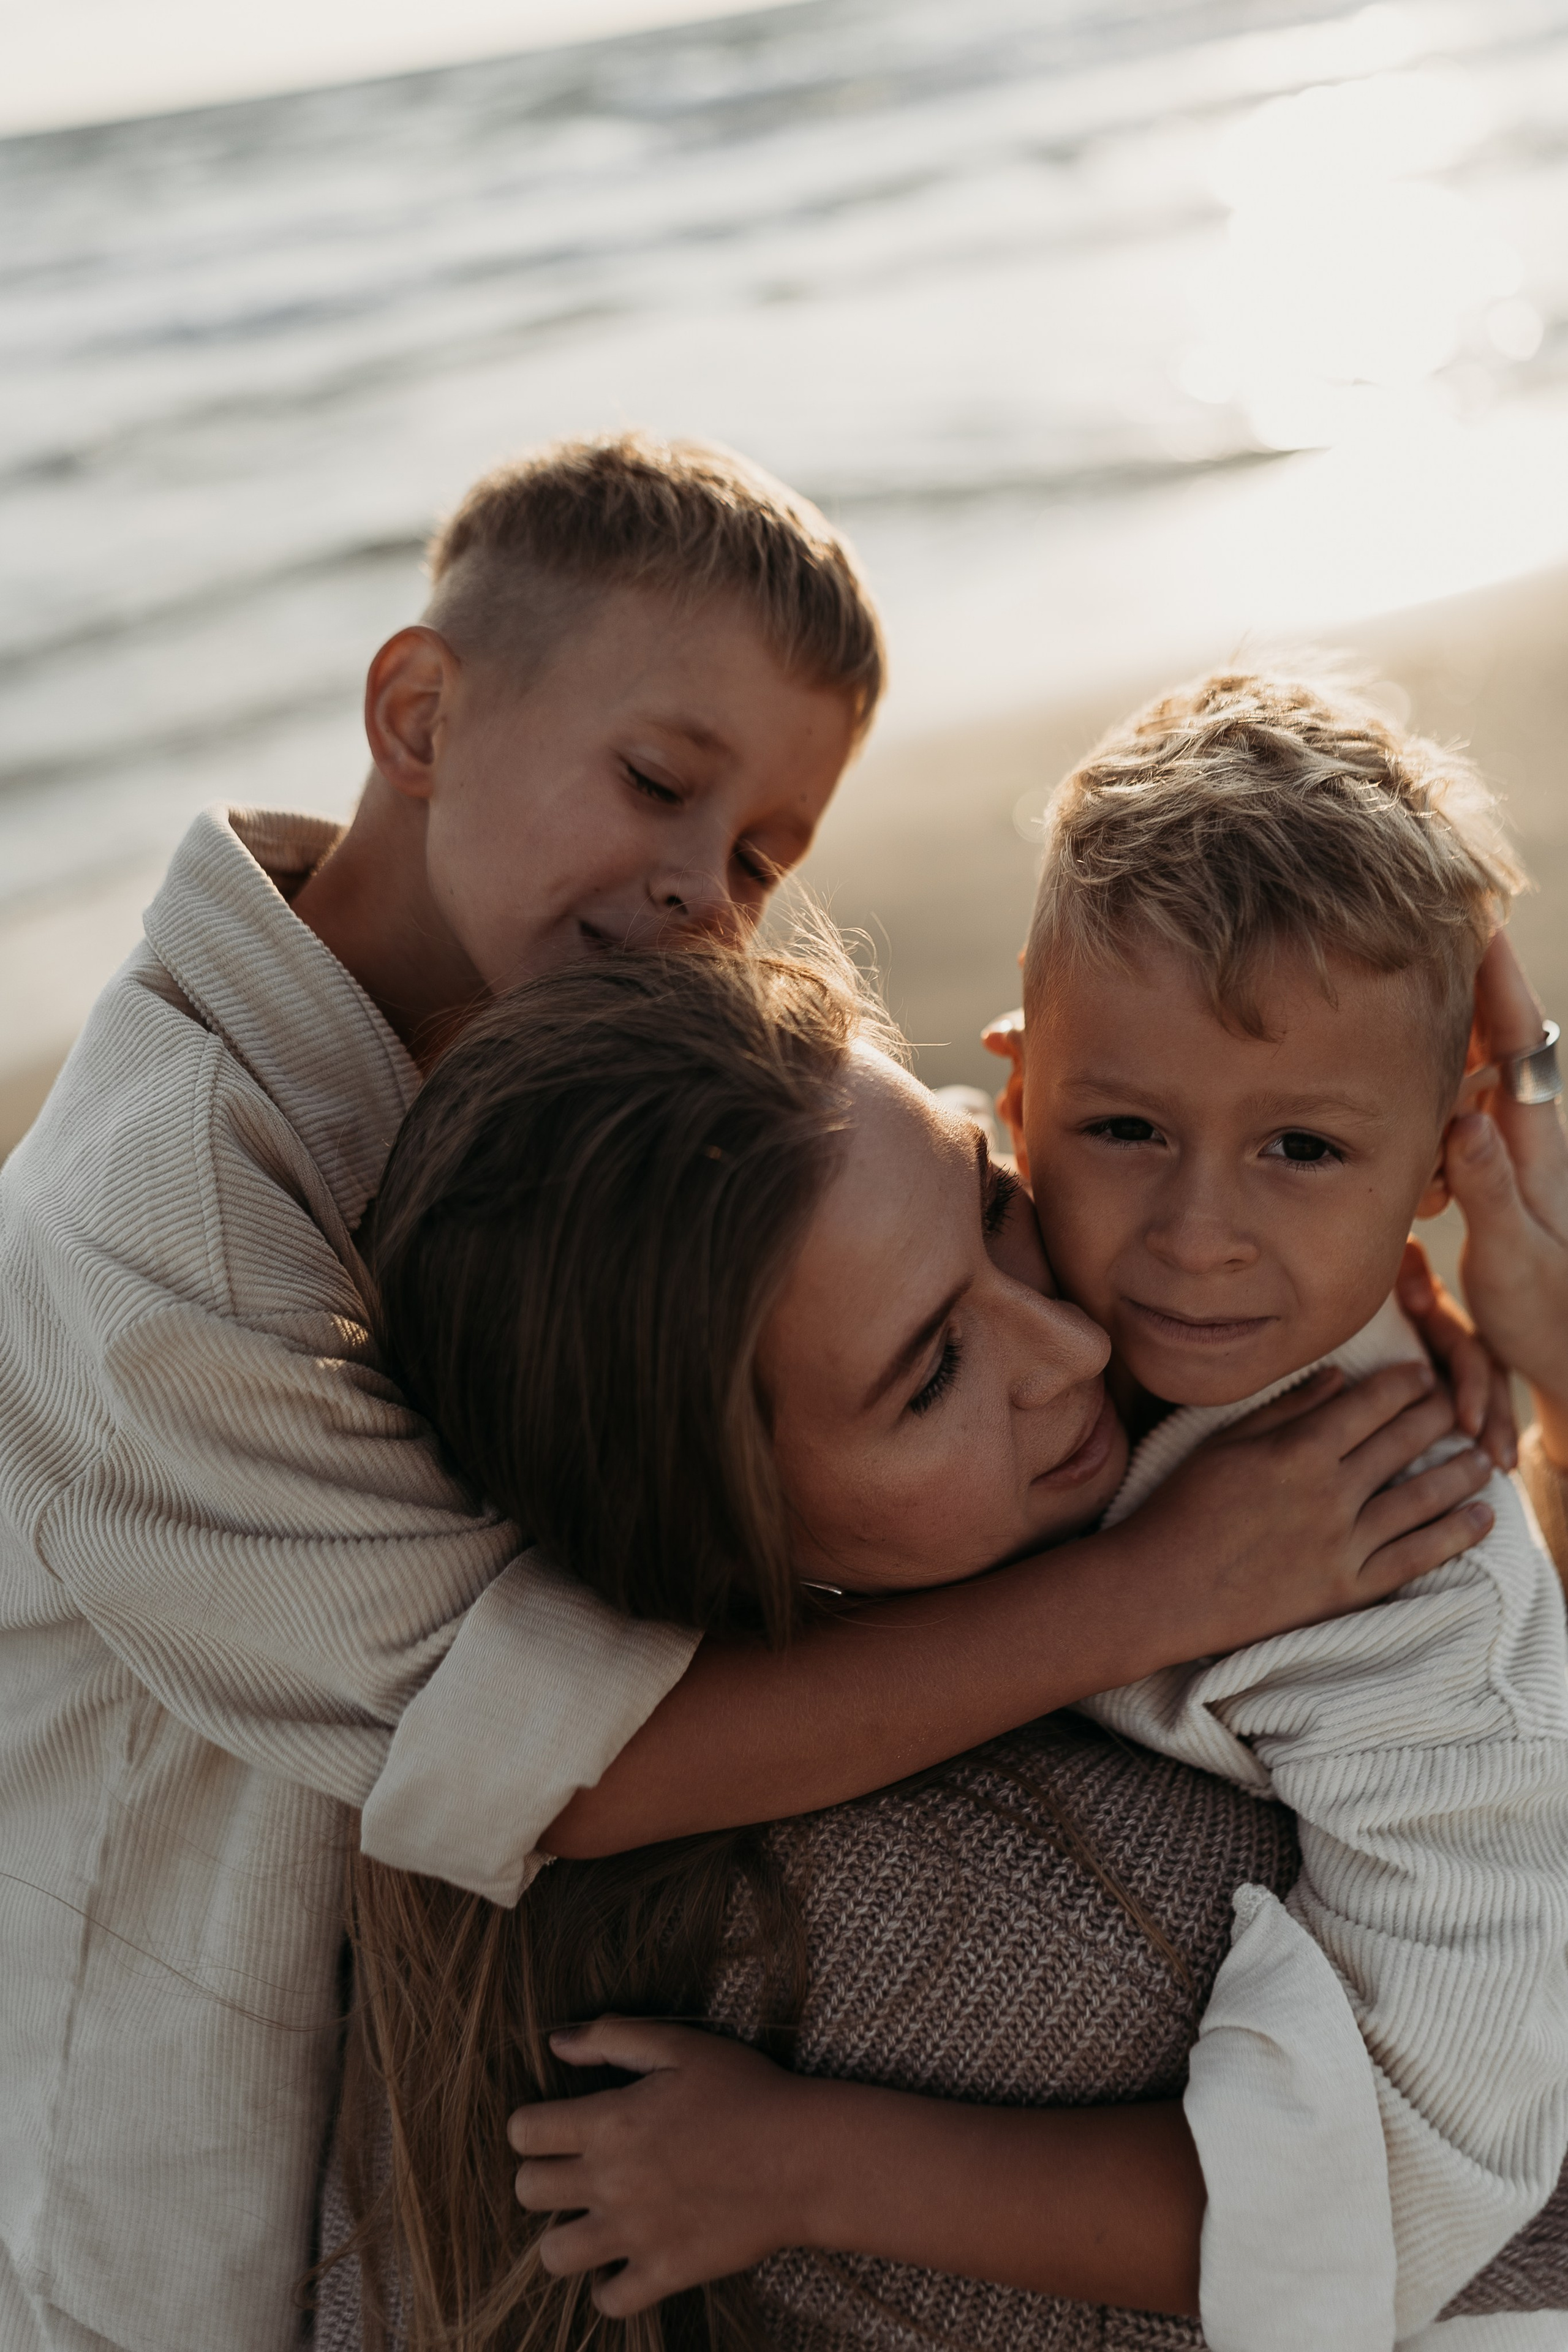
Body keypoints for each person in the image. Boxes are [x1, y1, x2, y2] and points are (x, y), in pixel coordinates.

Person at [0, 441, 1456, 2352]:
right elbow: (552, 1764)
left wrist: (1403, 1073)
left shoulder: (510, 1007)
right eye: (656, 784)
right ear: (420, 715)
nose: (704, 891)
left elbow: (899, 1227)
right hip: (168, 2156)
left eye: (766, 854)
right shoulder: (165, 1229)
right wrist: (1167, 1587)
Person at [483, 673, 1568, 2350]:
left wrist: (802, 2166)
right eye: (1121, 1129)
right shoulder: (982, 1244)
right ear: (1014, 1083)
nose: (1192, 1239)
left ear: (1441, 1165)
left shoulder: (1412, 1604)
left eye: (1302, 1151)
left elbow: (1393, 2201)